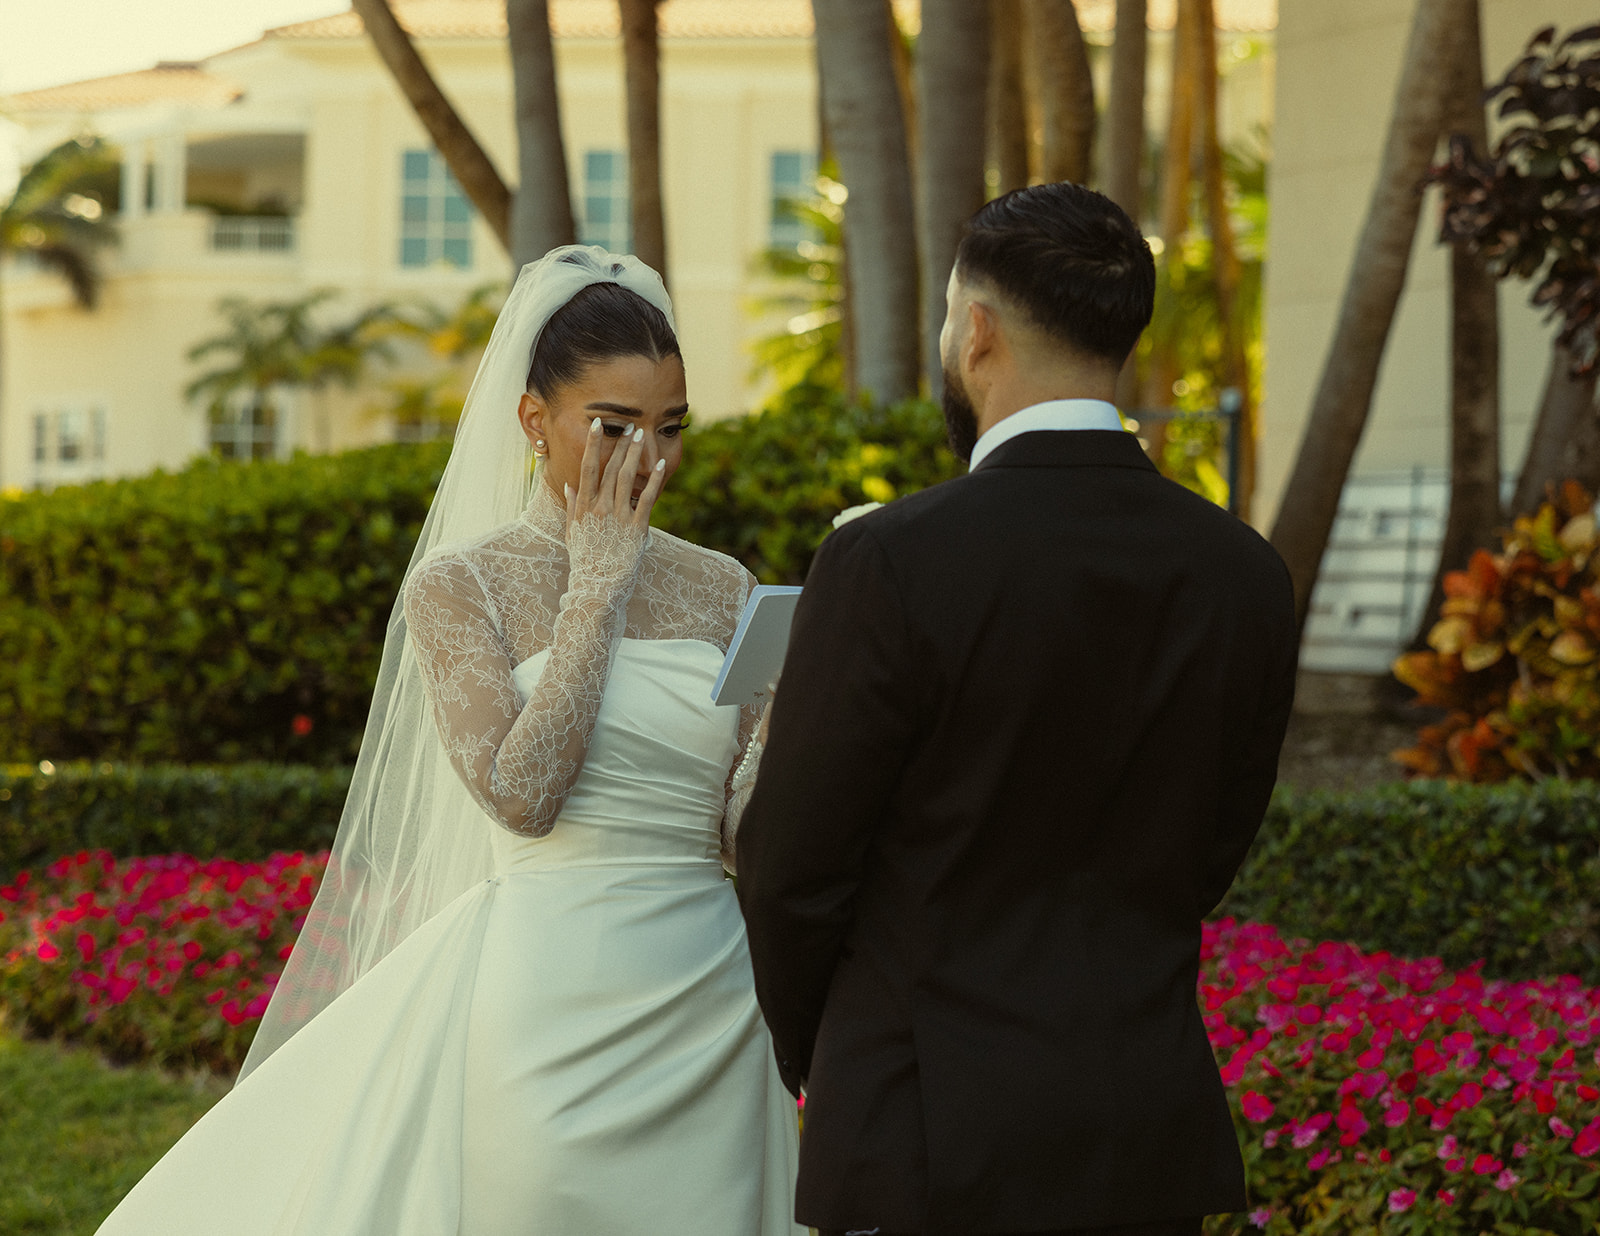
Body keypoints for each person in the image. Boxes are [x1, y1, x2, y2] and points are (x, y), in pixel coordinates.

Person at [96, 246, 802, 1236]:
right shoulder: (459, 588)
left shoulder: (723, 586)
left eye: (671, 427)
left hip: (710, 1002)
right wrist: (595, 592)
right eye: (614, 426)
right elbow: (523, 795)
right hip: (548, 994)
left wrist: (786, 726)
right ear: (533, 421)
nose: (649, 459)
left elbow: (738, 837)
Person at [735, 183, 1298, 1236]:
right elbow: (1212, 850)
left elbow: (791, 867)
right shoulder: (1247, 573)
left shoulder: (886, 560)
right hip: (1146, 1130)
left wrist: (836, 1054)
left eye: (951, 319)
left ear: (977, 331)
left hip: (925, 1135)